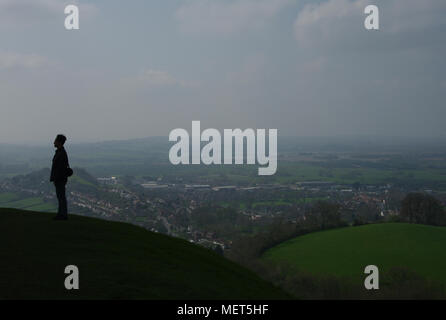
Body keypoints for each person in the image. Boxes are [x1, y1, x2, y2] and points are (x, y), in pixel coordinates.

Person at [50, 134, 70, 220]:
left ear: (59, 142)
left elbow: (60, 168)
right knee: (60, 197)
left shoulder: (61, 153)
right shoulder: (60, 152)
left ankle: (62, 215)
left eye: (55, 140)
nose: (54, 142)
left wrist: (57, 178)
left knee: (61, 197)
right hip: (59, 178)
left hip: (60, 179)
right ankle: (61, 214)